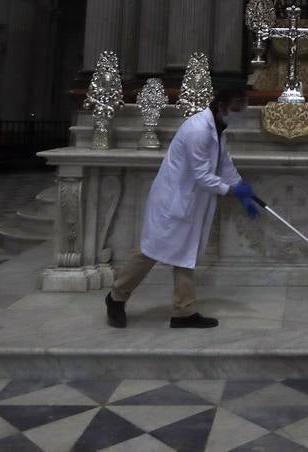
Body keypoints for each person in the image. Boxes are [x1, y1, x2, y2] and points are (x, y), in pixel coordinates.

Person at [104, 82, 259, 329]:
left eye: (244, 109)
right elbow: (202, 175)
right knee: (150, 252)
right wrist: (231, 190)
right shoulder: (198, 130)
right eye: (237, 109)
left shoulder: (218, 129)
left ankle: (183, 312)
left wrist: (243, 190)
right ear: (221, 107)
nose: (241, 115)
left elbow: (224, 163)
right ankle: (115, 296)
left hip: (190, 202)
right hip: (173, 201)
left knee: (185, 255)